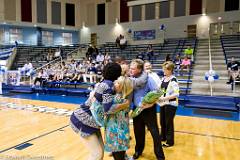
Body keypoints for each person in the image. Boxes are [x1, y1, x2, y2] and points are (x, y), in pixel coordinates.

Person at [70, 62, 122, 160]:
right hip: (83, 120)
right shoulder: (109, 86)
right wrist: (124, 105)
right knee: (97, 155)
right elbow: (108, 109)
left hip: (90, 120)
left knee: (100, 153)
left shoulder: (104, 82)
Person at [130, 59, 165, 160]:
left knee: (154, 133)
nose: (131, 70)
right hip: (137, 109)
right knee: (138, 132)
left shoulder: (149, 79)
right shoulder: (132, 79)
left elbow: (158, 93)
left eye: (133, 68)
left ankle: (160, 156)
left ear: (140, 69)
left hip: (149, 110)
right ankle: (138, 151)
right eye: (130, 68)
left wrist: (149, 105)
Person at [104, 76, 133, 160]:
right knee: (120, 152)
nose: (114, 83)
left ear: (121, 86)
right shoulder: (124, 97)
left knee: (118, 153)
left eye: (117, 82)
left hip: (116, 130)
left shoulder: (118, 98)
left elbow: (107, 110)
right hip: (120, 129)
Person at [158, 61, 179, 147]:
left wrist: (164, 98)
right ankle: (163, 137)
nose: (163, 70)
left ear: (170, 70)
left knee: (168, 123)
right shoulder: (163, 78)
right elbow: (161, 90)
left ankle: (170, 141)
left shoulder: (173, 80)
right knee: (162, 121)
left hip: (171, 104)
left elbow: (176, 94)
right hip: (163, 104)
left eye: (165, 69)